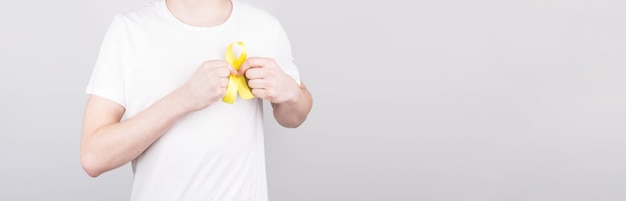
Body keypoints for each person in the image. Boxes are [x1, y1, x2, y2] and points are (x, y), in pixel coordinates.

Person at [80, 0, 312, 200]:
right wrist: (185, 98)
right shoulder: (128, 31)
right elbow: (93, 157)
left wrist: (291, 92)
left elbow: (292, 117)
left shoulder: (264, 28)